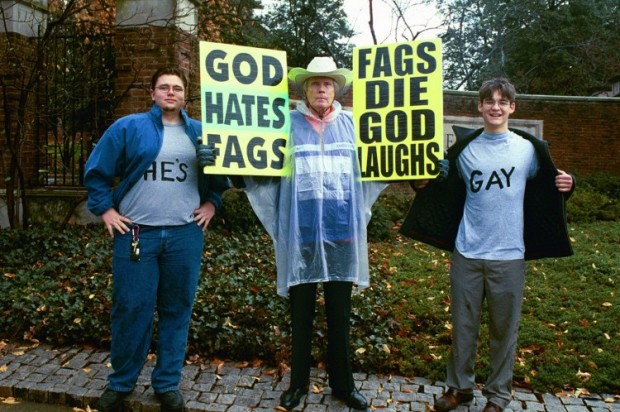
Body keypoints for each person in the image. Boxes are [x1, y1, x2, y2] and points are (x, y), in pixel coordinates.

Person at [400, 78, 575, 412]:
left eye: (502, 101)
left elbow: (547, 185)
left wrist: (570, 184)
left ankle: (497, 396)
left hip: (509, 255)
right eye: (489, 101)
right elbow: (432, 186)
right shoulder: (465, 150)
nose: (496, 107)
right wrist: (422, 178)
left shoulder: (528, 150)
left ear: (512, 107)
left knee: (503, 331)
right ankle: (459, 389)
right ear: (479, 106)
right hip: (467, 252)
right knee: (463, 328)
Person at [239, 56, 386, 411]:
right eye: (315, 83)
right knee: (301, 315)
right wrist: (229, 164)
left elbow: (380, 165)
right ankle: (298, 385)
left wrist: (423, 164)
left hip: (342, 232)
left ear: (336, 89)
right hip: (301, 232)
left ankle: (344, 385)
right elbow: (259, 167)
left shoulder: (352, 125)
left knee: (340, 314)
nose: (321, 89)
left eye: (327, 83)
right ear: (305, 89)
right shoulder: (285, 125)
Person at [84, 67, 226, 412]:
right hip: (136, 234)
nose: (170, 92)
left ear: (185, 96)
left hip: (184, 235)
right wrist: (106, 210)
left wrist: (211, 203)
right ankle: (121, 383)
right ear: (152, 93)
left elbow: (222, 178)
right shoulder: (128, 127)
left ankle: (166, 384)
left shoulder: (201, 133)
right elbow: (96, 172)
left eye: (177, 87)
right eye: (164, 87)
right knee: (132, 308)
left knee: (177, 309)